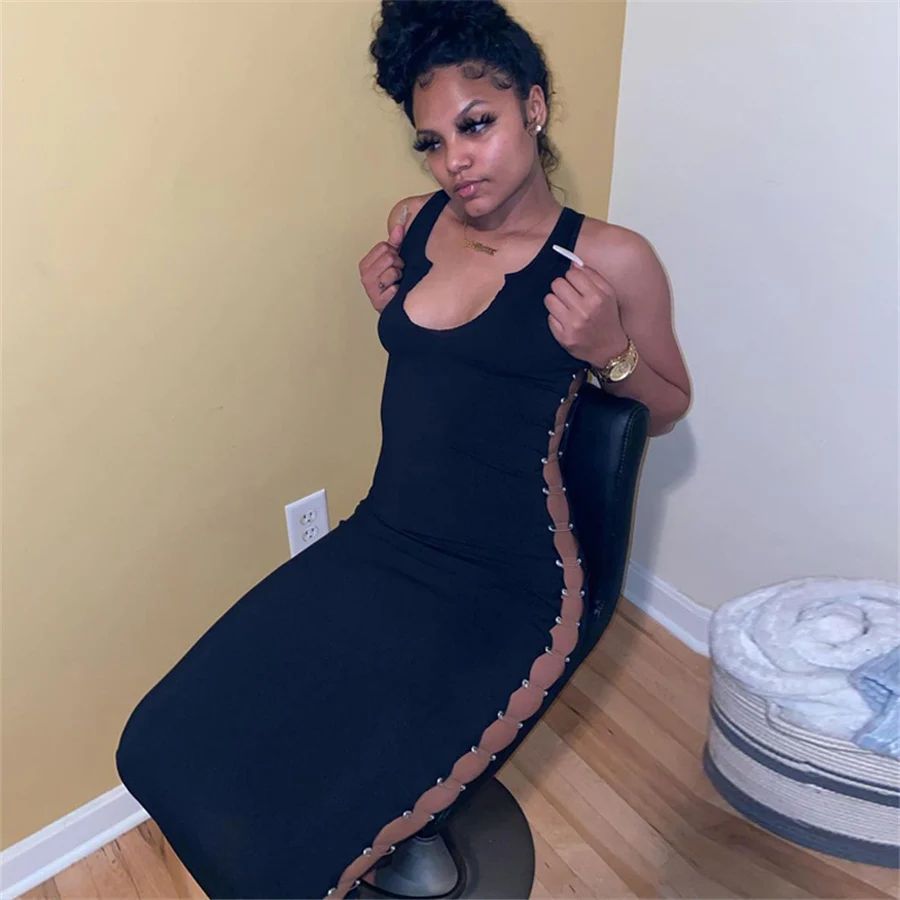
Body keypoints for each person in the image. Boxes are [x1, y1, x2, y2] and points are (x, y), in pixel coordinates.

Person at [115, 3, 691, 899]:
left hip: (512, 588)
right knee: (158, 743)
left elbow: (667, 406)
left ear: (534, 108)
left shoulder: (611, 260)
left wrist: (610, 349)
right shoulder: (415, 225)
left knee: (281, 865)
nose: (454, 159)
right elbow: (451, 367)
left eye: (477, 124)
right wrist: (388, 303)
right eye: (431, 141)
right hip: (384, 539)